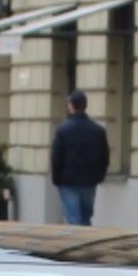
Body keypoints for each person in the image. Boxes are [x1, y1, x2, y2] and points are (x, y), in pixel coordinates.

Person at [48, 89, 110, 225]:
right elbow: (104, 156)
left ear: (71, 106)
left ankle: (76, 243)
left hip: (67, 181)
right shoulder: (98, 131)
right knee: (86, 217)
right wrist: (100, 176)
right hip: (89, 181)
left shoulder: (63, 130)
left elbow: (56, 157)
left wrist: (56, 178)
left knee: (73, 218)